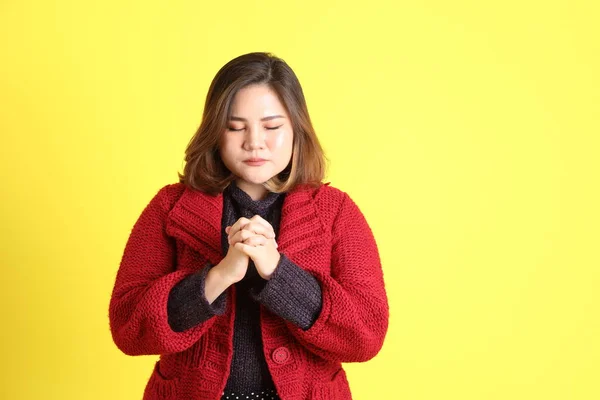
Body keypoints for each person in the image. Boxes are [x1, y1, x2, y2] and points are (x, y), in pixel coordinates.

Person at [108, 52, 389, 400]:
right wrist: (218, 276)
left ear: (297, 129)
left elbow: (366, 335)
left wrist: (278, 272)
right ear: (215, 131)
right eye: (236, 127)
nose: (254, 141)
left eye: (272, 126)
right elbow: (128, 328)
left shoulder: (336, 212)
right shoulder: (170, 207)